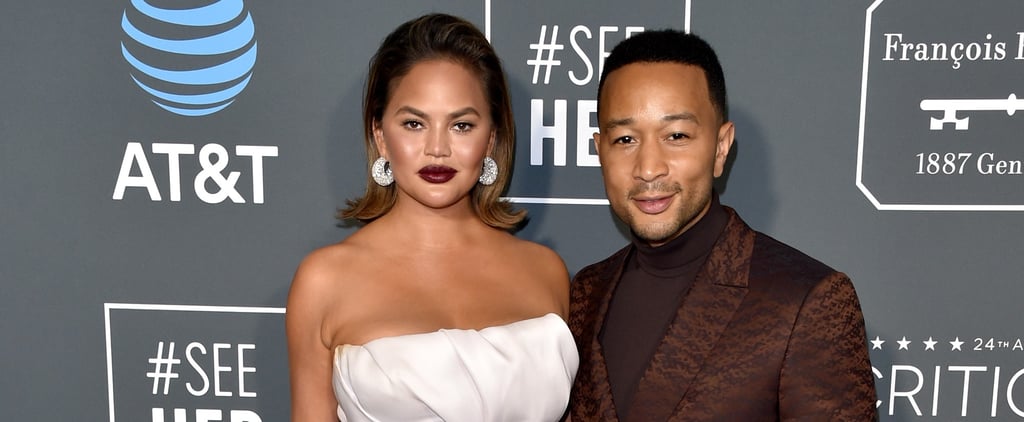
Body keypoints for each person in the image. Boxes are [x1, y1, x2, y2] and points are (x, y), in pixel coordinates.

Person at [568, 30, 878, 421]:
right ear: (600, 151)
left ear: (720, 147)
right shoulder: (585, 291)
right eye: (626, 139)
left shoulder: (807, 300)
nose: (648, 168)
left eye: (676, 135)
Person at [286, 13, 578, 422]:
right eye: (414, 124)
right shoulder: (324, 281)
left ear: (491, 138)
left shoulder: (545, 271)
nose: (437, 148)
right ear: (380, 136)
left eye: (461, 125)